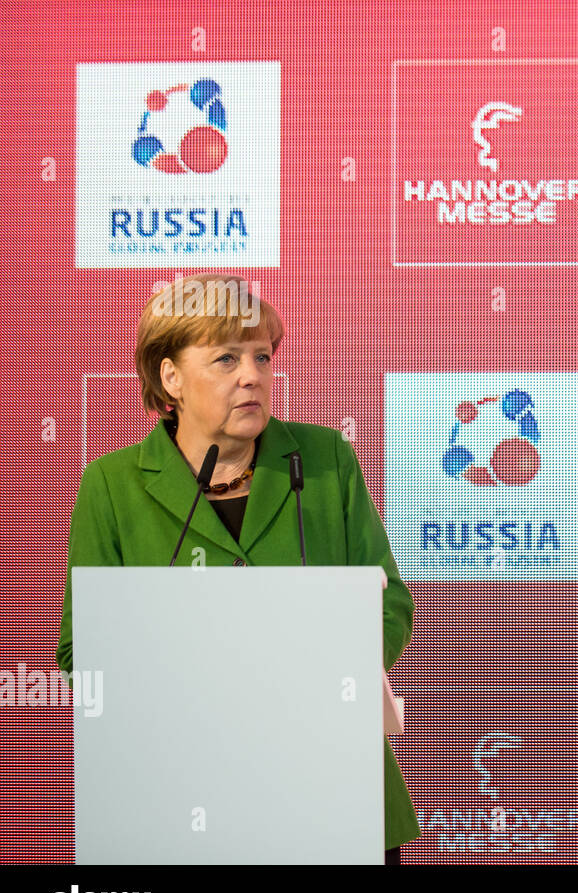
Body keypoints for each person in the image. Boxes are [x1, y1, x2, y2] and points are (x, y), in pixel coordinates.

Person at [57, 273, 420, 863]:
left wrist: (333, 679)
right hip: (181, 798)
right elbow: (83, 652)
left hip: (333, 790)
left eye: (261, 356)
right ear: (169, 376)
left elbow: (390, 602)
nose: (252, 375)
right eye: (226, 358)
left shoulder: (324, 459)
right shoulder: (112, 485)